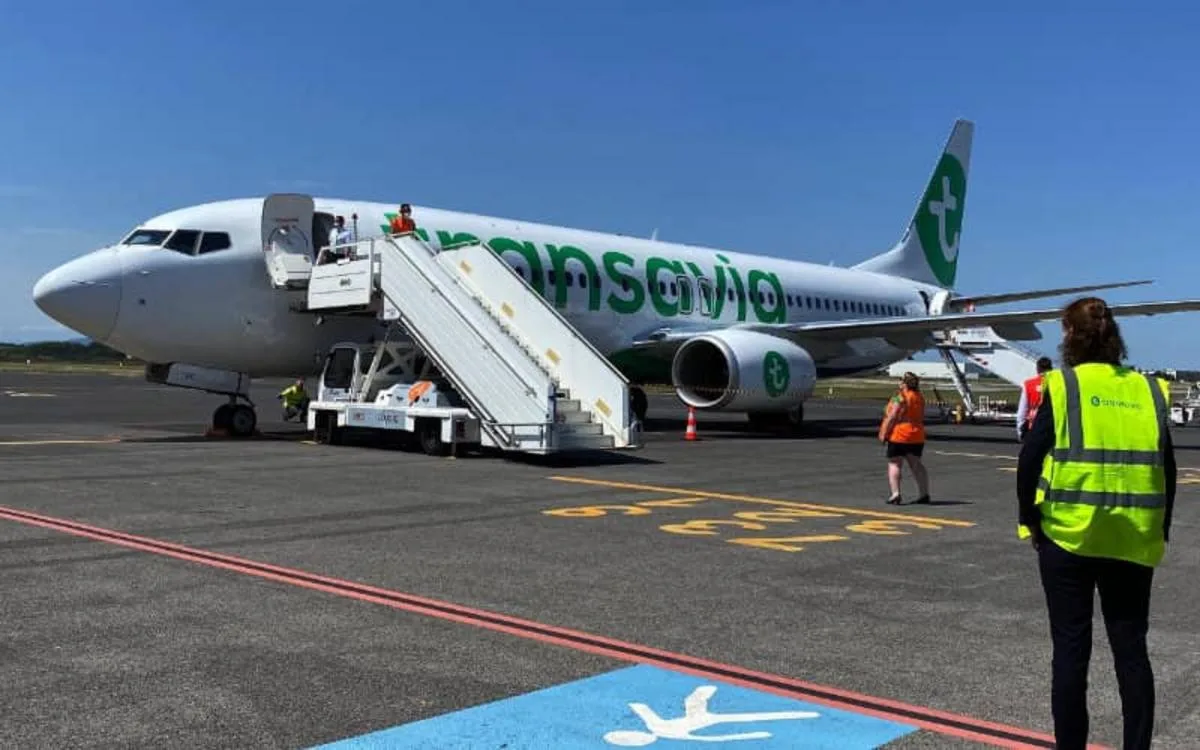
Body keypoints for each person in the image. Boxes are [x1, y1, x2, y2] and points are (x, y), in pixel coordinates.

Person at [1016, 296, 1176, 750]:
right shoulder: (1150, 389)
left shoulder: (1064, 385)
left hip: (1069, 537)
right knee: (1132, 653)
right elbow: (1167, 468)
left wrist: (1030, 520)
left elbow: (1030, 460)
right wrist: (1159, 527)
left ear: (1070, 335)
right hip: (1133, 539)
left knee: (1071, 651)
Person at [878, 371, 931, 505]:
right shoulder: (919, 397)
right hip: (917, 434)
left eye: (901, 381)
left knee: (894, 463)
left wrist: (884, 432)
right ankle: (924, 493)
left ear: (904, 384)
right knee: (916, 464)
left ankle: (895, 493)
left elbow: (892, 416)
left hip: (900, 434)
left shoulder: (899, 397)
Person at [1016, 356, 1053, 441]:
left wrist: (1020, 431)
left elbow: (1022, 411)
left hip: (1033, 426)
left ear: (1037, 369)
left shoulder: (1028, 384)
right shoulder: (1058, 384)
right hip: (1051, 426)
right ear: (1051, 368)